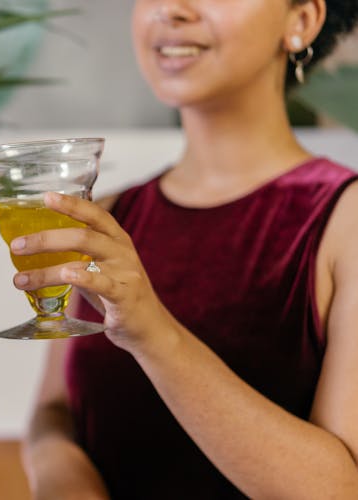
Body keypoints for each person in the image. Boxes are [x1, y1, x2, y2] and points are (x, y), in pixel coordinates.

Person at [19, 0, 358, 498]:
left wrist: (151, 332)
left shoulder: (344, 220)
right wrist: (57, 472)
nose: (170, 10)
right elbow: (56, 408)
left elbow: (340, 488)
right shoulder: (110, 214)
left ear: (301, 20)